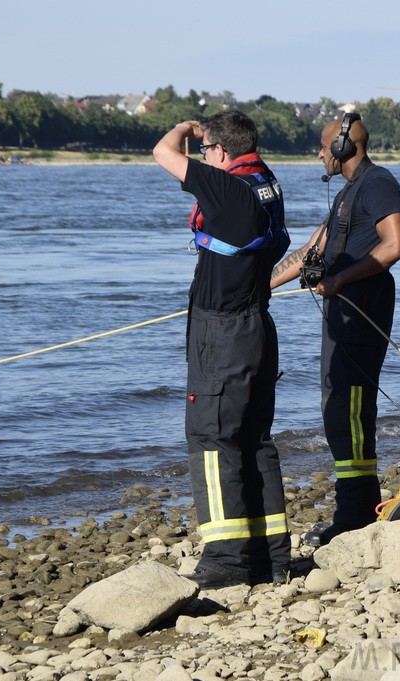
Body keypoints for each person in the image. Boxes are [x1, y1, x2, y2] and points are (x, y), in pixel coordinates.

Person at [152, 110, 293, 588]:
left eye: (208, 148)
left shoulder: (229, 189)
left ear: (221, 151)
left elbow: (162, 153)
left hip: (225, 331)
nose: (203, 156)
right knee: (253, 439)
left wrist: (186, 130)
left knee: (211, 439)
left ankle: (227, 560)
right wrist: (207, 136)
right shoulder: (265, 183)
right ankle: (272, 556)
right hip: (257, 323)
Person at [269, 112, 400, 547]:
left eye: (324, 146)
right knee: (337, 408)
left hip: (362, 312)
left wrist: (343, 279)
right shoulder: (347, 193)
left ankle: (355, 515)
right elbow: (314, 247)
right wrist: (261, 286)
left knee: (349, 409)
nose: (320, 153)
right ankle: (356, 509)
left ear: (346, 147)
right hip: (341, 315)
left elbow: (395, 246)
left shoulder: (379, 183)